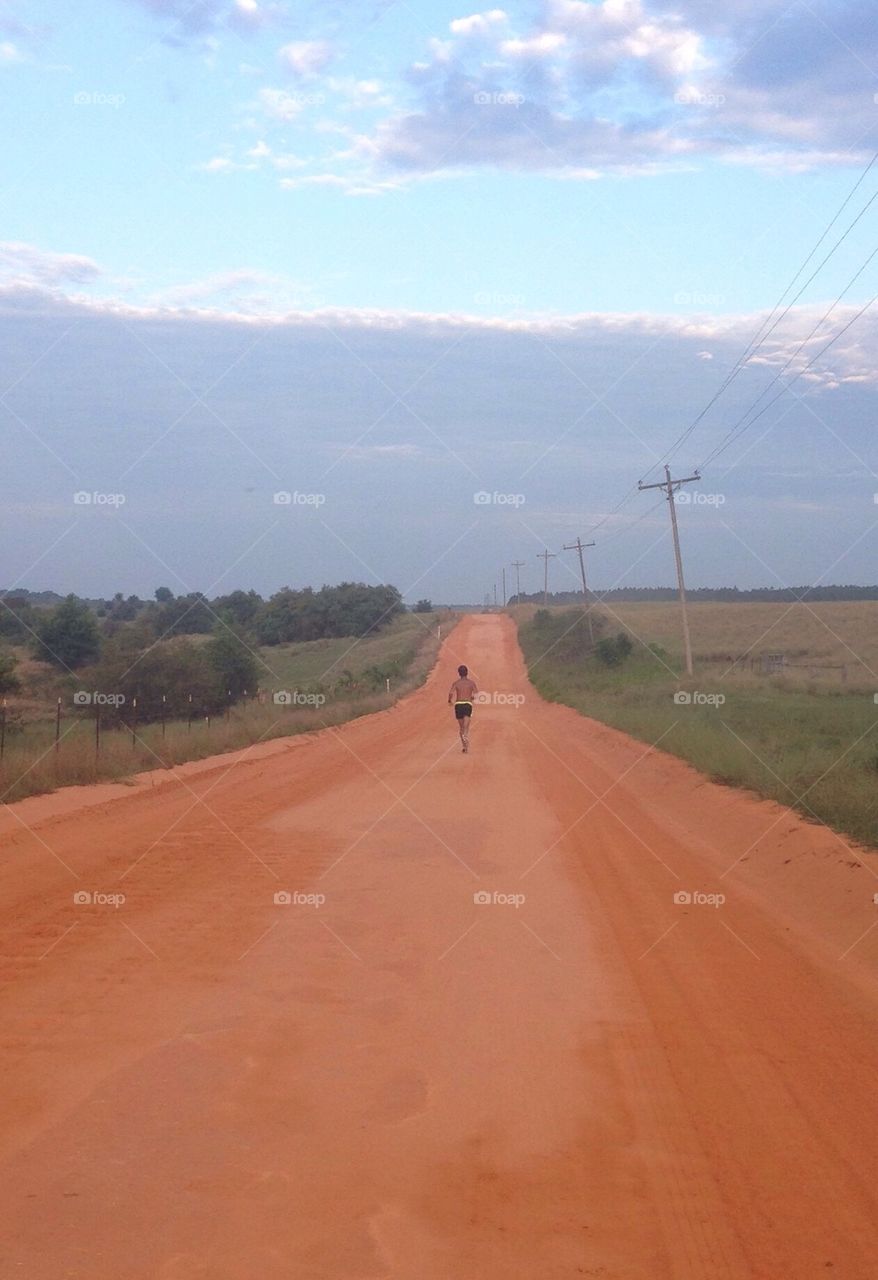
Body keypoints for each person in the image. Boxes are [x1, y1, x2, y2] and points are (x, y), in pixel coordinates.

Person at [448, 664, 478, 753]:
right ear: (467, 673)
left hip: (458, 704)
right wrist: (470, 698)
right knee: (466, 726)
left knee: (461, 727)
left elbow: (450, 693)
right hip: (467, 704)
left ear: (459, 673)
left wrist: (449, 701)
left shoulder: (456, 683)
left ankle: (464, 747)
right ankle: (465, 736)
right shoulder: (471, 683)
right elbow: (476, 694)